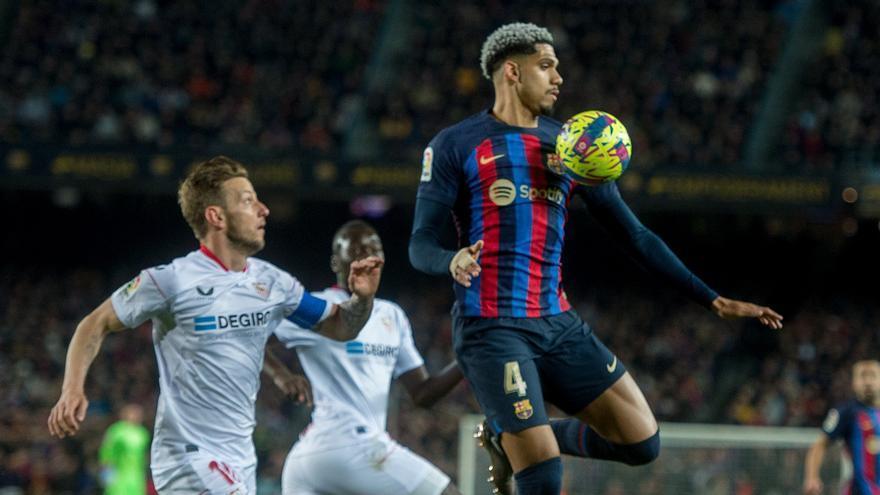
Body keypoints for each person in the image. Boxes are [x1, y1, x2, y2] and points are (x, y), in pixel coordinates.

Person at [408, 22, 784, 495]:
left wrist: (712, 300)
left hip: (557, 322)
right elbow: (419, 243)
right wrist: (451, 259)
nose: (559, 77)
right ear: (512, 72)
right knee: (544, 479)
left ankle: (510, 440)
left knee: (642, 443)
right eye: (546, 66)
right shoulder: (456, 144)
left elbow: (636, 235)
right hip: (491, 327)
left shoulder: (573, 145)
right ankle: (525, 442)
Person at [47, 156, 383, 494]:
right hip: (187, 457)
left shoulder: (273, 282)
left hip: (239, 457)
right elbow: (94, 324)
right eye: (249, 201)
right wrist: (72, 389)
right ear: (216, 216)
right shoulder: (170, 281)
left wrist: (362, 299)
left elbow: (340, 326)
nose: (264, 209)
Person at [275, 220, 464, 495]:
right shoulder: (318, 307)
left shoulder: (392, 315)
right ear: (335, 262)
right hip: (344, 443)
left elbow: (423, 394)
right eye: (356, 250)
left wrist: (467, 358)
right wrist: (280, 373)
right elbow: (252, 333)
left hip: (324, 455)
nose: (367, 255)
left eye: (374, 248)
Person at [804, 360, 880, 495]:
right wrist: (812, 478)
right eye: (863, 376)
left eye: (873, 375)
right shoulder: (845, 412)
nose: (868, 382)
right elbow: (820, 445)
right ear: (854, 383)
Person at [98, 404, 150, 495]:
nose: (135, 416)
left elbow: (145, 455)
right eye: (132, 413)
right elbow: (106, 452)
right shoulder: (116, 431)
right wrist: (105, 473)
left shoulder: (143, 433)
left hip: (137, 476)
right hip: (119, 476)